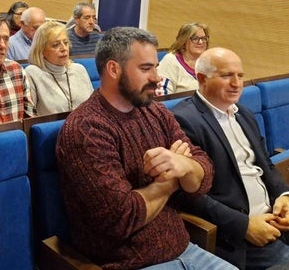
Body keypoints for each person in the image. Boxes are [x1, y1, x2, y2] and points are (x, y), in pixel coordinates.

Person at [56, 27, 235, 270]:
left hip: (186, 250)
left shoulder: (155, 111)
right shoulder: (86, 128)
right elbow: (122, 218)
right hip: (129, 263)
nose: (157, 77)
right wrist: (172, 180)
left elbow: (204, 177)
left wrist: (185, 166)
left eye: (156, 67)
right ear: (113, 69)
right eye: (146, 68)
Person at [172, 47, 289, 270]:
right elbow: (189, 195)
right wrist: (245, 226)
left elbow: (267, 166)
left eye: (240, 75)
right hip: (238, 232)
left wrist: (286, 196)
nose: (237, 83)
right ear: (202, 78)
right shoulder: (184, 120)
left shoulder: (244, 113)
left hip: (274, 213)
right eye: (226, 76)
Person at [25, 21, 92, 115]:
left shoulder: (79, 69)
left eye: (65, 43)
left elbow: (93, 107)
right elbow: (30, 116)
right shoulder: (33, 73)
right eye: (56, 45)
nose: (64, 48)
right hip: (54, 129)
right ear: (41, 50)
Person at [157, 23, 210, 95]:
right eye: (195, 38)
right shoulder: (170, 60)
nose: (200, 42)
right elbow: (162, 95)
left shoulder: (209, 62)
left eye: (203, 38)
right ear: (184, 41)